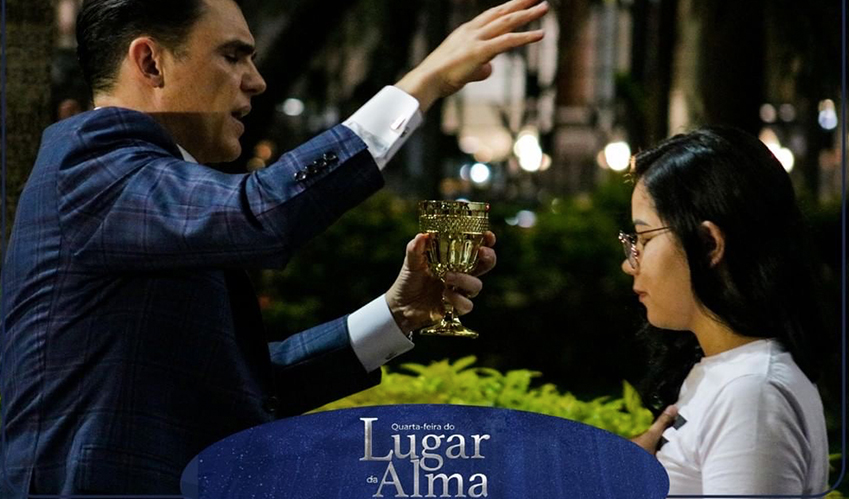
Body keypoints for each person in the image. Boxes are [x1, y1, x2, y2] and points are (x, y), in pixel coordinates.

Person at [0, 0, 549, 495]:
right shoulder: (92, 160)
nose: (257, 81)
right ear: (150, 63)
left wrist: (397, 315)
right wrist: (421, 86)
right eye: (232, 56)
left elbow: (247, 388)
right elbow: (263, 212)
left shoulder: (136, 186)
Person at [621, 127, 830, 495]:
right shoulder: (724, 372)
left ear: (708, 244)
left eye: (646, 239)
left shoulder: (751, 394)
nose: (629, 264)